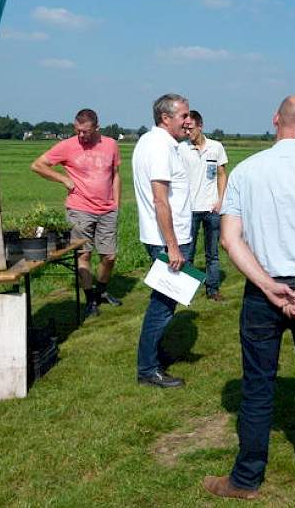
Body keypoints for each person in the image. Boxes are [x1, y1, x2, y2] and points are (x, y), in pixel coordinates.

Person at [203, 95, 295, 500]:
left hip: (262, 293)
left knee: (256, 387)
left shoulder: (247, 171)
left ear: (275, 120)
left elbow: (231, 239)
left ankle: (246, 479)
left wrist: (268, 286)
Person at [31, 109, 121, 318]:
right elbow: (37, 165)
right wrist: (62, 179)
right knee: (84, 254)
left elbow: (115, 175)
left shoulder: (111, 145)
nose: (81, 135)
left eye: (86, 132)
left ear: (97, 128)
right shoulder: (68, 146)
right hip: (80, 209)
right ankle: (90, 300)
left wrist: (116, 203)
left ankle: (101, 292)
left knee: (109, 257)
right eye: (78, 131)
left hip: (107, 210)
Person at [131, 94, 194, 388]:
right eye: (184, 116)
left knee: (166, 302)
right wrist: (172, 246)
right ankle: (148, 369)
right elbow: (160, 200)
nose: (189, 121)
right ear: (165, 118)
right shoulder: (159, 147)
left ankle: (154, 353)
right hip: (168, 241)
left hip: (167, 238)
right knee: (163, 304)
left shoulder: (157, 142)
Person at [178, 109, 228, 301]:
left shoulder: (216, 147)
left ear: (200, 126)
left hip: (211, 209)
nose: (187, 132)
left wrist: (220, 200)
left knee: (212, 254)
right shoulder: (181, 149)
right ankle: (185, 291)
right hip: (189, 210)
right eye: (184, 129)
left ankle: (213, 289)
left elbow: (222, 173)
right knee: (187, 253)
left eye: (190, 128)